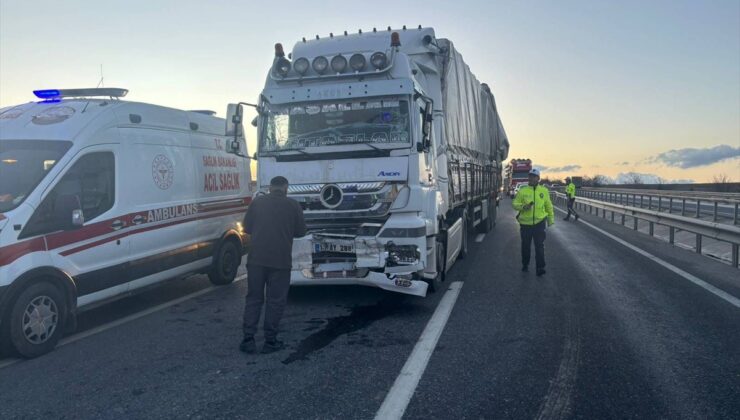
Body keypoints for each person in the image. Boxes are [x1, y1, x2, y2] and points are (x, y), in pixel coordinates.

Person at [240, 176, 306, 354]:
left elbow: (247, 228)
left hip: (256, 260)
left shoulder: (257, 203)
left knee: (254, 298)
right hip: (280, 261)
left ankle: (248, 339)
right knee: (275, 301)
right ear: (286, 188)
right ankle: (270, 341)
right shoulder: (293, 205)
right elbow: (301, 232)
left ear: (270, 188)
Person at [512, 168, 554, 276]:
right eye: (530, 176)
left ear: (538, 178)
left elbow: (548, 206)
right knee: (526, 246)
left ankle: (540, 268)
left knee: (539, 246)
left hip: (539, 223)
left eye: (533, 176)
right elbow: (514, 204)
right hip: (525, 224)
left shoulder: (544, 191)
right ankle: (525, 264)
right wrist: (523, 206)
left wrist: (550, 220)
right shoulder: (523, 191)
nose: (531, 178)